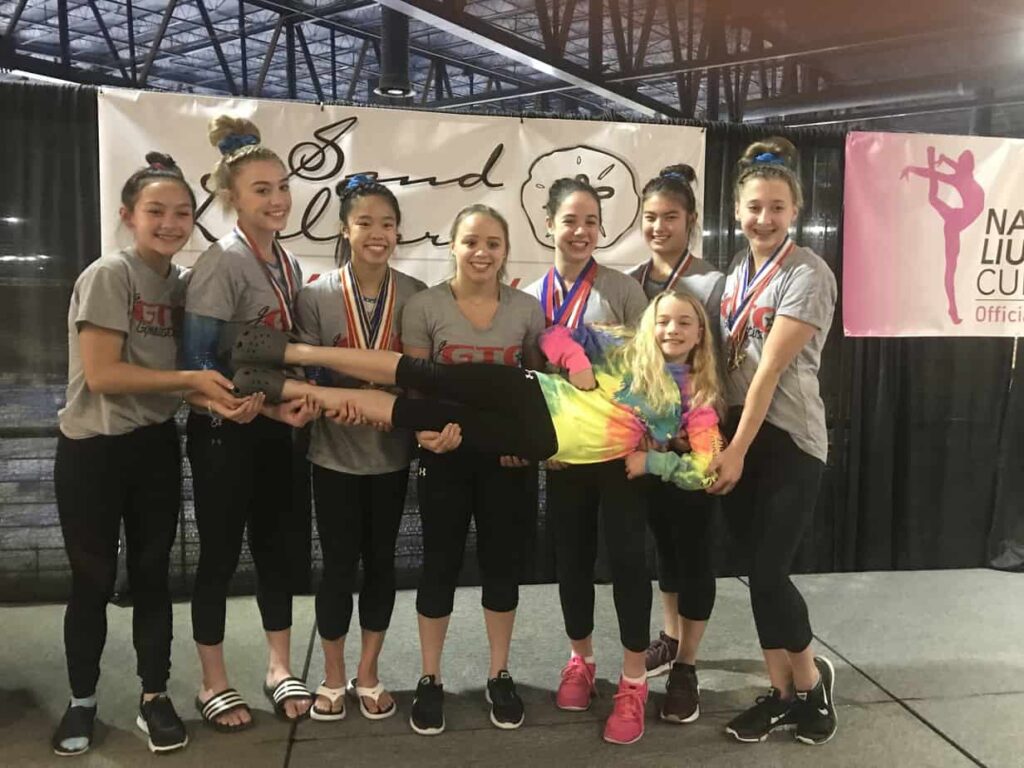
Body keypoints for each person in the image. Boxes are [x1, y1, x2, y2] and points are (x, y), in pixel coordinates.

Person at [51, 153, 242, 756]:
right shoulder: (111, 274)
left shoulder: (185, 285)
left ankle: (154, 696)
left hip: (154, 445)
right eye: (156, 211)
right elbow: (104, 375)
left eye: (182, 213)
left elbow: (186, 375)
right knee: (92, 580)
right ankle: (82, 701)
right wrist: (192, 381)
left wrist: (225, 398)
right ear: (128, 215)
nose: (170, 223)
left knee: (154, 576)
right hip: (92, 450)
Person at [183, 116, 319, 732]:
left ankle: (278, 666)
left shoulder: (285, 262)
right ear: (232, 197)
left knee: (276, 549)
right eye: (262, 189)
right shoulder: (223, 262)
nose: (278, 199)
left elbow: (277, 348)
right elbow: (200, 361)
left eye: (282, 186)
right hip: (224, 427)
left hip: (274, 426)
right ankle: (212, 681)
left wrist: (294, 401)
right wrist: (263, 407)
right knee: (217, 554)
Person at [709, 137, 839, 745]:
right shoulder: (736, 271)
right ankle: (781, 693)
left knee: (768, 572)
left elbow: (767, 372)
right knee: (752, 571)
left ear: (796, 211)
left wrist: (734, 450)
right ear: (737, 210)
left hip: (789, 439)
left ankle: (812, 687)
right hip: (740, 434)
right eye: (755, 207)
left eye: (777, 207)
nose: (764, 218)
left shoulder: (808, 272)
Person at [397, 204, 544, 735]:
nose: (481, 253)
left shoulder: (527, 309)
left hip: (506, 463)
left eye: (493, 243)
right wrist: (424, 434)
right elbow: (414, 384)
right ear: (453, 246)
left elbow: (536, 390)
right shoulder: (424, 306)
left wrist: (525, 445)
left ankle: (499, 674)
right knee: (438, 565)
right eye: (471, 242)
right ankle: (430, 678)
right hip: (447, 457)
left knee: (502, 568)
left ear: (505, 251)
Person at [522, 176, 654, 745]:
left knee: (628, 561)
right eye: (570, 220)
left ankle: (634, 679)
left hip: (620, 452)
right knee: (571, 559)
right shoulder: (529, 298)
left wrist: (645, 439)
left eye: (591, 222)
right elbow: (528, 379)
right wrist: (542, 445)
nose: (581, 231)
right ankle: (581, 660)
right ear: (548, 224)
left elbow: (652, 369)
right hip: (565, 456)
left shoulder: (623, 290)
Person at [293, 176, 425, 723]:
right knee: (337, 566)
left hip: (390, 455)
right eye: (365, 222)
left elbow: (421, 377)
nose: (377, 233)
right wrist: (331, 402)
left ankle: (367, 674)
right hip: (333, 454)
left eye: (387, 224)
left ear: (398, 232)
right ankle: (330, 676)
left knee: (381, 565)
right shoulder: (316, 295)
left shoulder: (415, 294)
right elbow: (300, 377)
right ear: (344, 230)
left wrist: (393, 402)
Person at [627, 165, 725, 726]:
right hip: (645, 450)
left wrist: (704, 426)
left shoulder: (714, 284)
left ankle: (687, 664)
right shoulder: (630, 281)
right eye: (651, 217)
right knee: (663, 550)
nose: (660, 226)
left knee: (695, 556)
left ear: (691, 221)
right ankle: (669, 637)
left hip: (697, 440)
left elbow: (725, 361)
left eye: (671, 216)